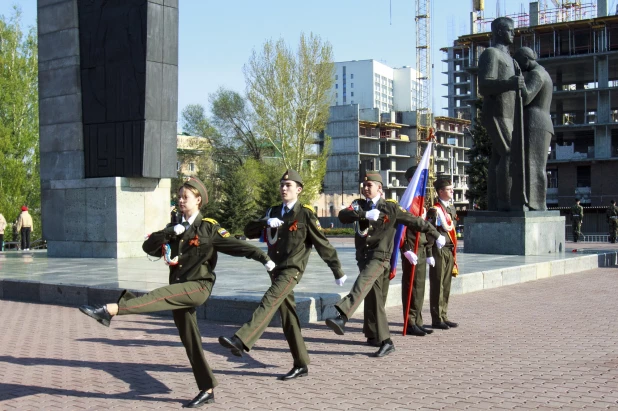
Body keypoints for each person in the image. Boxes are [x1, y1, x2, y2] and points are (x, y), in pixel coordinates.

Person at [79, 176, 274, 408]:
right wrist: (169, 233)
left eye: (186, 197)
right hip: (180, 287)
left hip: (198, 286)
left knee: (159, 295)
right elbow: (148, 247)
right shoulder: (174, 227)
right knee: (190, 340)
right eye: (179, 196)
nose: (181, 201)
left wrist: (264, 258)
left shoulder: (209, 228)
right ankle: (207, 388)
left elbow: (237, 246)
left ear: (198, 200)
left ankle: (111, 310)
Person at [218, 169, 346, 380]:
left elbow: (323, 244)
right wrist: (264, 222)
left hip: (292, 269)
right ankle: (301, 363)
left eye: (289, 185)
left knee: (269, 300)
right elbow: (248, 230)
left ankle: (242, 339)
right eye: (282, 185)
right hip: (275, 270)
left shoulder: (305, 213)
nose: (284, 188)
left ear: (299, 189)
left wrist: (337, 270)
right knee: (289, 318)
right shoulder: (273, 211)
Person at [324, 171, 443, 358]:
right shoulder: (359, 205)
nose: (365, 188)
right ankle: (383, 340)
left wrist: (436, 234)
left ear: (380, 188)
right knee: (376, 300)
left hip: (380, 257)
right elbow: (343, 215)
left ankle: (342, 316)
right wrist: (364, 214)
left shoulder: (390, 208)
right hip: (363, 257)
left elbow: (416, 222)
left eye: (369, 185)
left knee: (362, 283)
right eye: (364, 185)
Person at [478, 17, 525, 211]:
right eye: (509, 30)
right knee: (508, 153)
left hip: (509, 113)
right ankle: (504, 202)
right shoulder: (491, 54)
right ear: (498, 31)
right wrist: (510, 83)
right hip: (496, 112)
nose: (513, 34)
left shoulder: (510, 59)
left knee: (498, 157)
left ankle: (494, 202)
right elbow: (484, 85)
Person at [513, 47, 554, 211]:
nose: (519, 67)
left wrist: (519, 80)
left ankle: (536, 203)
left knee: (533, 165)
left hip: (535, 123)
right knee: (536, 164)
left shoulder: (537, 74)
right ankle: (536, 202)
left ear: (525, 59)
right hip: (540, 123)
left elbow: (527, 96)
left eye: (519, 62)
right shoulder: (543, 72)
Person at [400, 166, 436, 337]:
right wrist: (406, 249)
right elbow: (401, 230)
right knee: (411, 286)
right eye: (420, 178)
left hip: (420, 247)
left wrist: (428, 251)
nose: (423, 181)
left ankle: (417, 320)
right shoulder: (408, 200)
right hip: (411, 250)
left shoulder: (421, 199)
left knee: (419, 287)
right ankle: (410, 322)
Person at [428, 178, 459, 330]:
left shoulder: (451, 208)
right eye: (449, 189)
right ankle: (437, 318)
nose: (452, 191)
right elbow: (430, 228)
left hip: (449, 249)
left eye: (451, 189)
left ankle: (444, 315)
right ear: (440, 192)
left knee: (446, 285)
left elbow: (451, 227)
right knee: (437, 284)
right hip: (438, 249)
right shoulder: (435, 209)